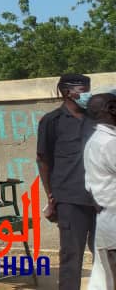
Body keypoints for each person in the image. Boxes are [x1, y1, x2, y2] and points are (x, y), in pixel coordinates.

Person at [38, 73, 98, 290]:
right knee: (71, 257)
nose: (87, 95)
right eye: (83, 91)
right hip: (70, 198)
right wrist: (51, 195)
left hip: (102, 197)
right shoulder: (52, 121)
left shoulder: (98, 119)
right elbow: (43, 159)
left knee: (106, 253)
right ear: (66, 92)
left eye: (88, 89)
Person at [85, 94, 116, 290]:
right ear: (112, 109)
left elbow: (89, 187)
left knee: (106, 279)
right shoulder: (109, 143)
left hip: (106, 220)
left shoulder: (94, 141)